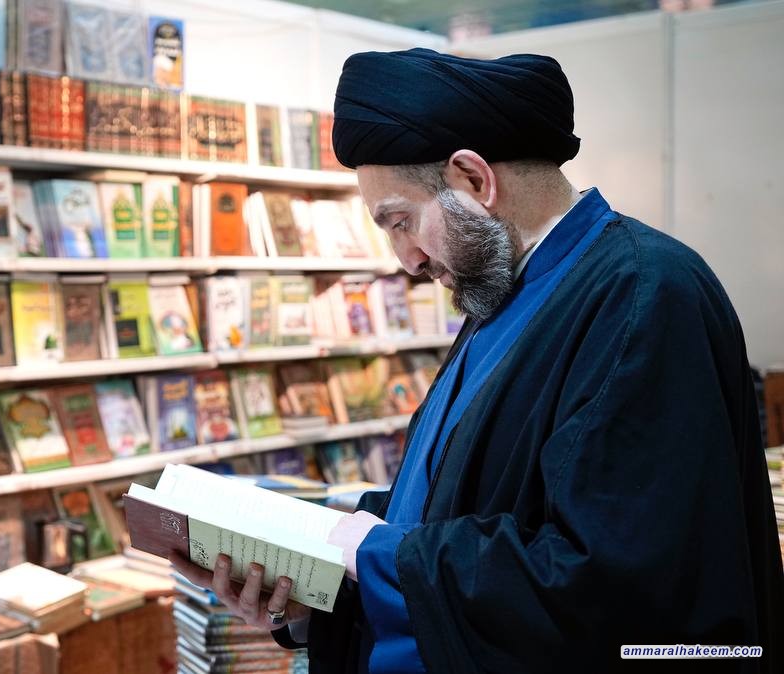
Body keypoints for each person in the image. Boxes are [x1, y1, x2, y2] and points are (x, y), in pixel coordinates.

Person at [171, 48, 783, 673]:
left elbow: (615, 584)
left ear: (473, 179)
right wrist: (314, 596)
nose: (406, 260)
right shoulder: (505, 293)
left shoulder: (643, 292)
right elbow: (449, 504)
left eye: (401, 221)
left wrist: (373, 555)